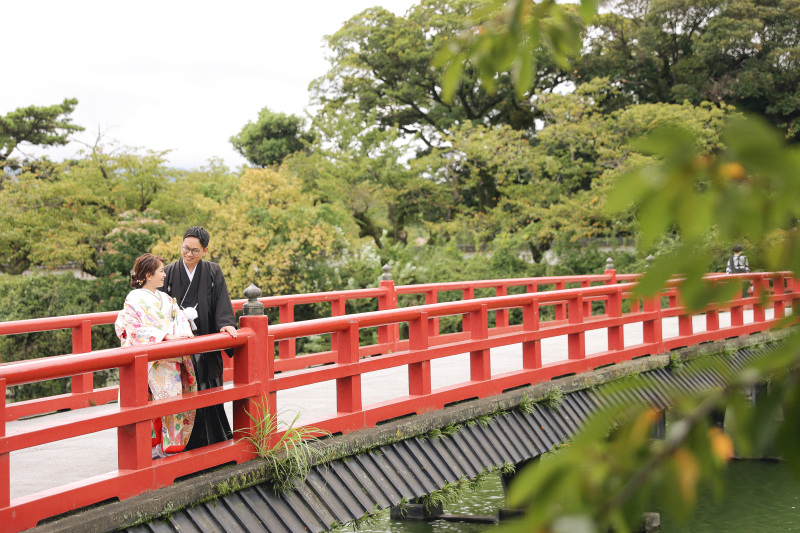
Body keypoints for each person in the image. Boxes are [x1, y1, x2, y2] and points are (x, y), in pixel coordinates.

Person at [161, 226, 238, 450]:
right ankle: (181, 443)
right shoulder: (169, 272)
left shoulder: (213, 272)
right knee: (182, 392)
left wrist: (225, 325)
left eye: (195, 250)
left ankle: (214, 440)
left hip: (206, 342)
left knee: (208, 388)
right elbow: (162, 307)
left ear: (204, 250)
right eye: (185, 248)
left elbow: (222, 301)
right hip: (180, 344)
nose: (189, 254)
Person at [115, 253, 197, 459]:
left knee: (174, 402)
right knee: (152, 402)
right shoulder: (133, 298)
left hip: (170, 357)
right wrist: (164, 336)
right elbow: (131, 327)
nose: (164, 274)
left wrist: (182, 333)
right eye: (161, 270)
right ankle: (152, 446)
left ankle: (170, 448)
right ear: (148, 275)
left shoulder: (166, 298)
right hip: (151, 359)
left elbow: (178, 318)